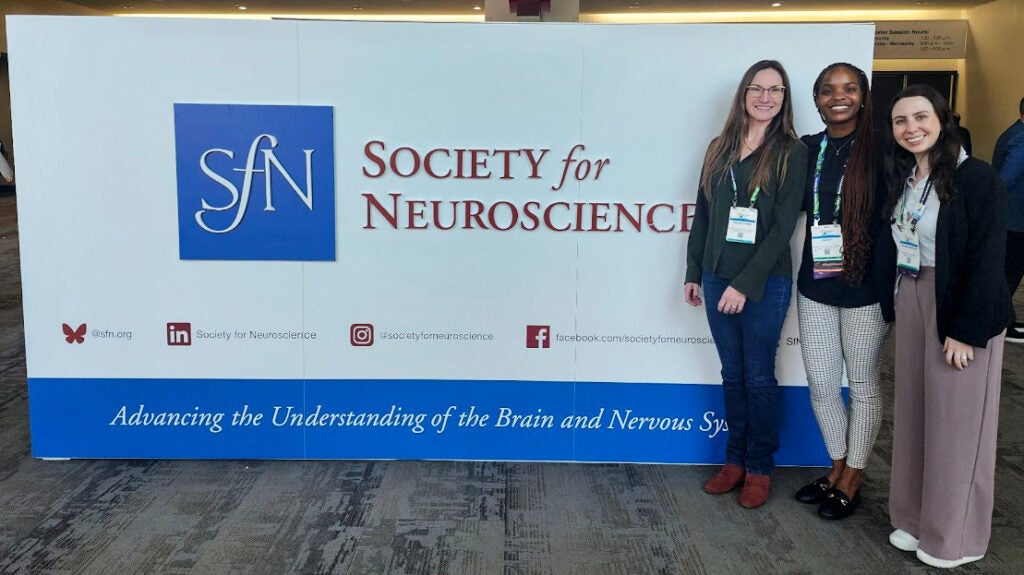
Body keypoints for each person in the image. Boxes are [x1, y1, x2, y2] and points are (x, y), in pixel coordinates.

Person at [877, 84, 1011, 569]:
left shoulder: (977, 178)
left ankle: (953, 537)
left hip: (959, 306)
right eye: (900, 121)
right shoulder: (906, 177)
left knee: (957, 425)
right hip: (912, 295)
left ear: (942, 118)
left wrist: (966, 331)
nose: (911, 128)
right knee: (914, 415)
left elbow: (987, 260)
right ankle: (913, 520)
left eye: (920, 117)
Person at [684, 60, 807, 509]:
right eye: (757, 88)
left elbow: (782, 229)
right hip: (716, 277)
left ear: (784, 99)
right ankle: (732, 461)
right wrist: (694, 272)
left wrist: (744, 285)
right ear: (743, 94)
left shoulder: (792, 153)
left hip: (763, 283)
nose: (766, 97)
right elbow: (705, 214)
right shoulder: (719, 147)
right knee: (731, 375)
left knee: (757, 378)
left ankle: (758, 467)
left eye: (776, 90)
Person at [792, 63, 888, 521]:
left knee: (864, 385)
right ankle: (835, 467)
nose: (839, 96)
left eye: (849, 88)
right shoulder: (807, 150)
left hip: (867, 287)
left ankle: (854, 475)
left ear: (864, 96)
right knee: (823, 384)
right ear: (816, 100)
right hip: (815, 284)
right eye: (828, 90)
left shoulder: (884, 151)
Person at [992, 96, 1024, 343]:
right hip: (1014, 220)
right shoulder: (1021, 137)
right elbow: (1005, 178)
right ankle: (1002, 322)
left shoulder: (1012, 131)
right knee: (1009, 271)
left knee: (1008, 271)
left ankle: (1007, 319)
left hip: (1011, 218)